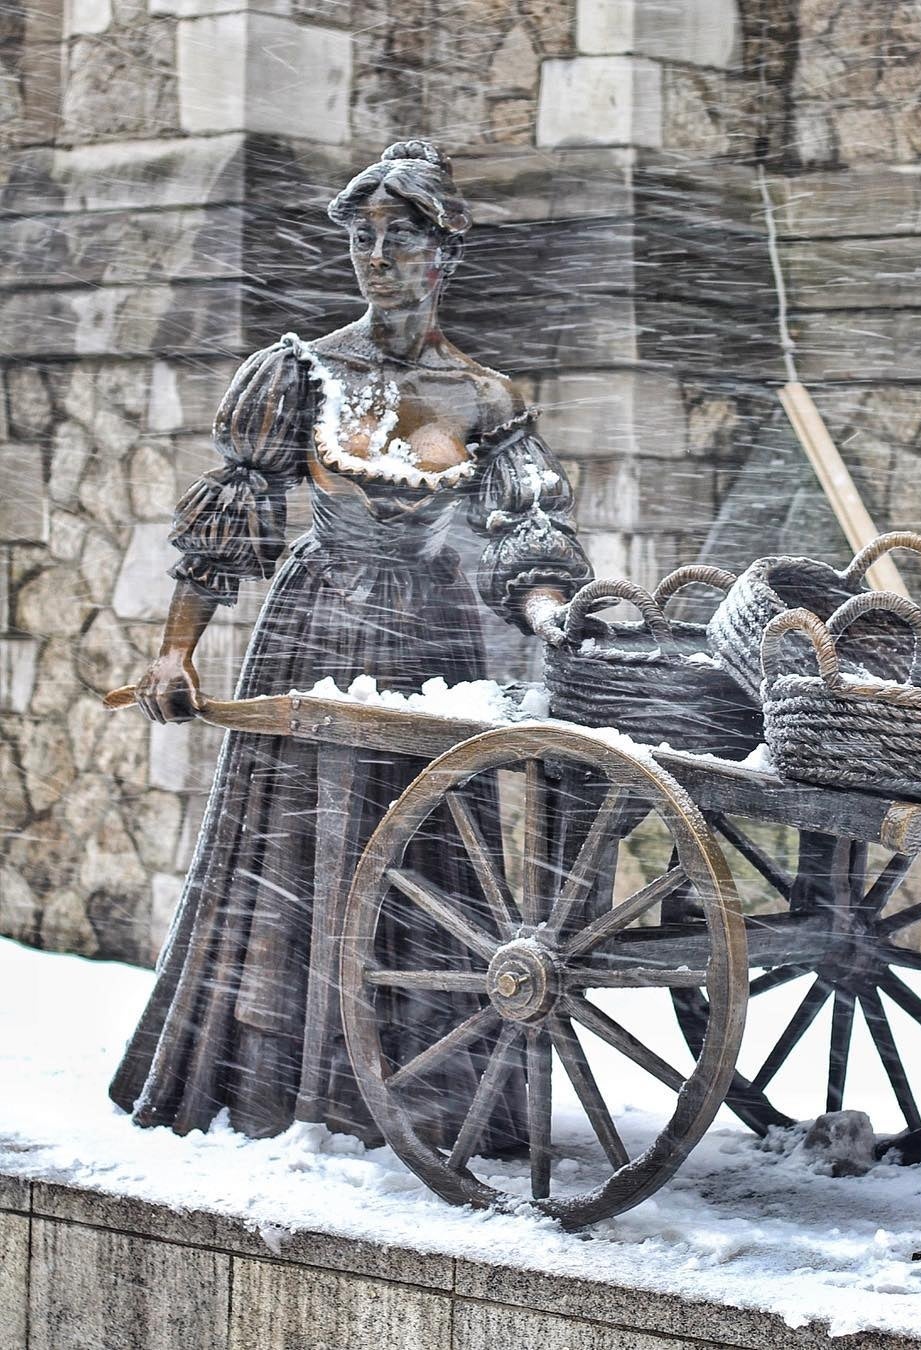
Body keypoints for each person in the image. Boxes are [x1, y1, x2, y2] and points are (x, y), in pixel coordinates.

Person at [109, 139, 593, 1146]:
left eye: (400, 238)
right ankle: (285, 1082)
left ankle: (413, 1081)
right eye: (363, 238)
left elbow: (528, 529)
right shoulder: (300, 374)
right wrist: (176, 650)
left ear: (443, 254)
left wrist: (550, 611)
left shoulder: (485, 397)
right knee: (298, 841)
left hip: (434, 639)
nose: (377, 257)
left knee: (420, 843)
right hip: (318, 626)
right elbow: (226, 525)